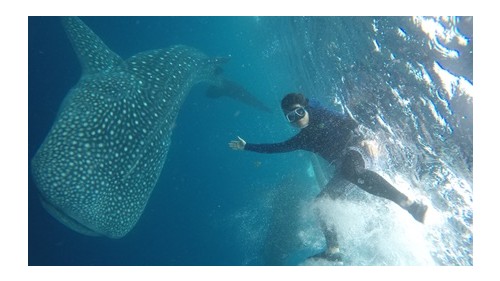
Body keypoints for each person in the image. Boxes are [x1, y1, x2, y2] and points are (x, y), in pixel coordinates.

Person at [229, 93, 428, 263]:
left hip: (358, 148)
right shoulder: (303, 139)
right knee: (321, 203)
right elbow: (275, 148)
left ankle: (412, 206)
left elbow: (347, 121)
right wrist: (247, 146)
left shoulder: (320, 114)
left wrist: (368, 138)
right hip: (344, 167)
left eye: (299, 112)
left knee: (352, 171)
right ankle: (334, 251)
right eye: (291, 117)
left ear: (306, 109)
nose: (297, 118)